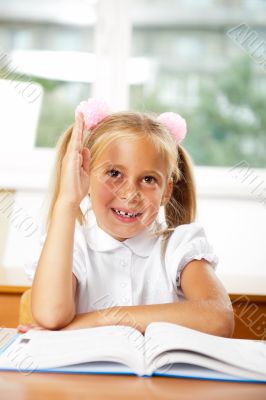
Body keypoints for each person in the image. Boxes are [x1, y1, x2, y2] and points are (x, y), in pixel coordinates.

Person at [18, 98, 234, 337]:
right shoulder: (72, 244)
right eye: (114, 173)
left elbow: (218, 318)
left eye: (149, 179)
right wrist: (67, 202)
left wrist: (97, 320)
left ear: (167, 191)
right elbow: (51, 315)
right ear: (85, 176)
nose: (130, 194)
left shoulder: (179, 245)